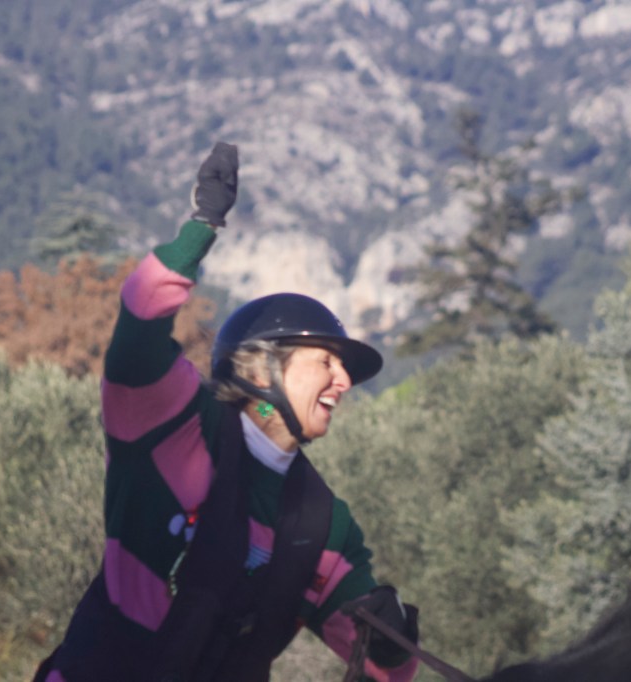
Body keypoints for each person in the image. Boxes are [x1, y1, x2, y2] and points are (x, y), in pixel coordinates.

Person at [34, 142, 420, 681]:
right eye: (326, 362)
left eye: (346, 370)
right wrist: (202, 227)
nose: (344, 380)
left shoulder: (327, 525)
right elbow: (138, 329)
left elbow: (385, 669)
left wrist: (394, 640)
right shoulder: (176, 425)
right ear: (259, 370)